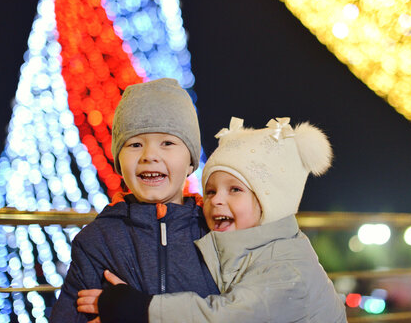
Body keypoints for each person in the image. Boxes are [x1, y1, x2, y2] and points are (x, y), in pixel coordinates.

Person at [77, 117, 347, 323]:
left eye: (235, 190)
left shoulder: (288, 265)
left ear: (270, 202)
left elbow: (224, 316)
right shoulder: (244, 248)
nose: (216, 200)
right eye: (210, 191)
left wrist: (140, 308)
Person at [49, 78, 219, 322]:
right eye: (135, 144)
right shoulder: (96, 241)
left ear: (191, 160)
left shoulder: (217, 233)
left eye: (168, 143)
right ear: (119, 162)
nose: (149, 156)